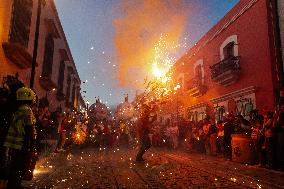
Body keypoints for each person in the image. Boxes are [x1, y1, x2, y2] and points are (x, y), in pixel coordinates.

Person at [3, 87, 37, 188]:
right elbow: (29, 128)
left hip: (14, 143)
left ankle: (12, 184)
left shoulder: (18, 109)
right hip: (22, 143)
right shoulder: (27, 110)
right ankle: (14, 185)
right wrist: (32, 143)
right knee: (20, 167)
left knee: (14, 166)